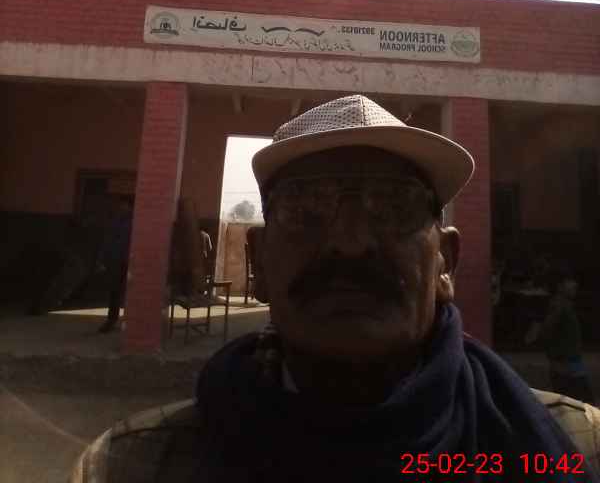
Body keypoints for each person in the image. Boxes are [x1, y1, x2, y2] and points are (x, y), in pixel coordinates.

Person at [71, 95, 600, 482]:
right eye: (307, 209)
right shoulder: (130, 466)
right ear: (259, 262)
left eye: (392, 208)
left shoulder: (581, 449)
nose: (350, 244)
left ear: (446, 262)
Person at [539, 275, 596, 405]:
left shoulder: (565, 305)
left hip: (570, 361)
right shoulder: (559, 305)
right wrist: (556, 357)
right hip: (566, 363)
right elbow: (547, 329)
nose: (574, 285)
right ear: (560, 285)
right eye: (570, 282)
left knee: (574, 402)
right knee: (581, 402)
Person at [97, 195, 133, 334]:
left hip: (127, 260)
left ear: (129, 206)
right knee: (115, 291)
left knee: (126, 292)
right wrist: (103, 258)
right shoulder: (116, 220)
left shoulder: (132, 221)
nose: (121, 207)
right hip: (116, 260)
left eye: (123, 205)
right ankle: (112, 319)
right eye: (120, 205)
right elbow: (108, 240)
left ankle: (127, 321)